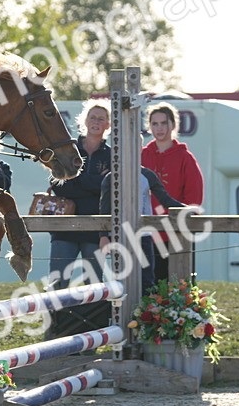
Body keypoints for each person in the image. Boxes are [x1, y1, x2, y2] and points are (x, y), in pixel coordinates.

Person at [45, 101, 112, 339]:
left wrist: (76, 177)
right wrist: (94, 185)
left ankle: (91, 336)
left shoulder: (111, 155)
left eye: (101, 118)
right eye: (93, 117)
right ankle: (53, 333)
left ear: (108, 124)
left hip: (96, 230)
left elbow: (110, 188)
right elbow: (58, 184)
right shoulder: (69, 148)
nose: (96, 122)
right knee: (58, 282)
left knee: (93, 284)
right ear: (84, 120)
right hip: (65, 228)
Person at [141, 102, 204, 284]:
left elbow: (194, 196)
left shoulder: (185, 157)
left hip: (175, 233)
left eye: (164, 123)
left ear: (173, 125)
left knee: (176, 284)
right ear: (149, 126)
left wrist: (180, 222)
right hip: (145, 232)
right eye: (155, 123)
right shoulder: (142, 156)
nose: (159, 128)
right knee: (147, 285)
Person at [99, 164, 184, 294]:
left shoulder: (147, 175)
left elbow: (165, 200)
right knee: (118, 279)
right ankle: (118, 307)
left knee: (147, 279)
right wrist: (103, 236)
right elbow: (104, 209)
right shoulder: (111, 177)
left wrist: (187, 209)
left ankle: (144, 306)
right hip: (118, 236)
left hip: (143, 235)